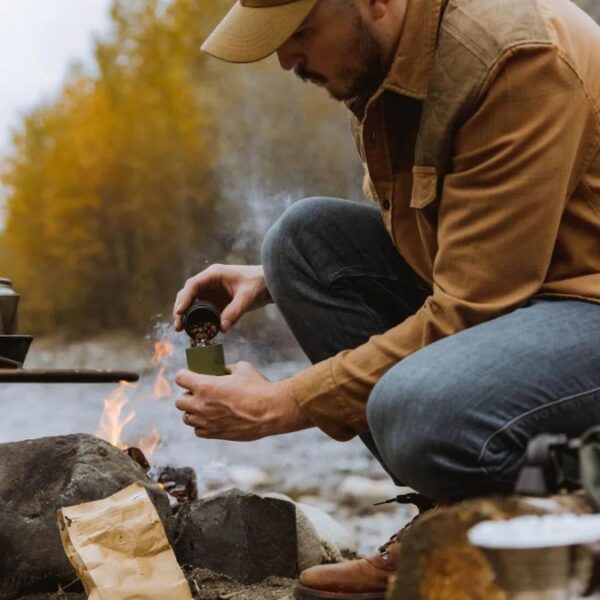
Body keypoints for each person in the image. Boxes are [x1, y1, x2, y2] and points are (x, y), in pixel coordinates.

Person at [172, 0, 600, 597]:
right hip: (526, 295)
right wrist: (271, 278)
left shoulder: (512, 59)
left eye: (300, 32)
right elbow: (452, 239)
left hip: (586, 306)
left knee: (413, 409)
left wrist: (281, 403)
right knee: (300, 242)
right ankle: (450, 517)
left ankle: (563, 522)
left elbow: (471, 309)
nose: (285, 59)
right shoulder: (388, 65)